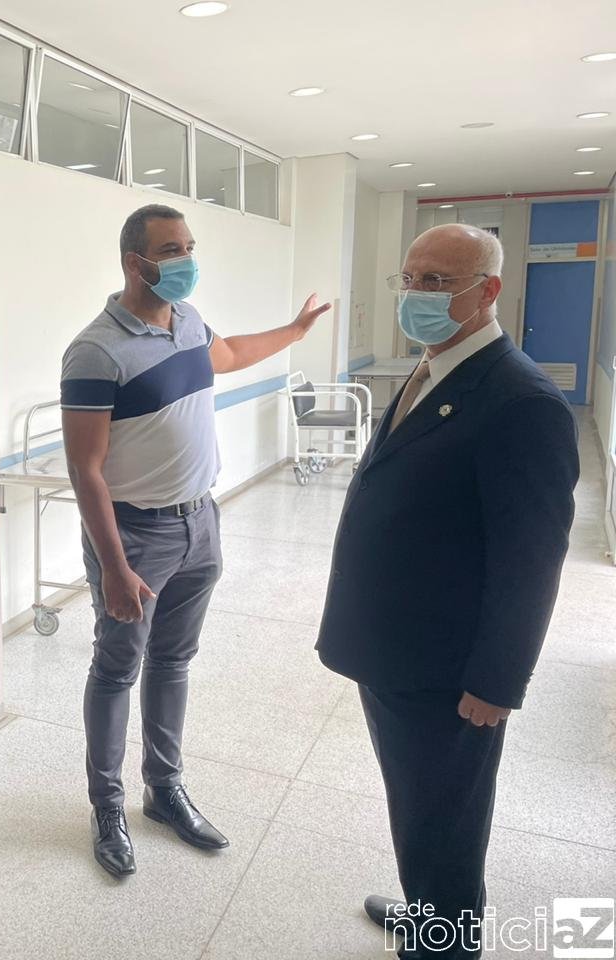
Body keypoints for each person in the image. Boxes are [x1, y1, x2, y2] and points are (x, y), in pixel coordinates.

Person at [316, 224, 579, 959]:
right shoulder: (435, 369)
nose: (416, 295)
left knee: (445, 820)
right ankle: (427, 912)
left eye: (436, 281)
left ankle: (445, 943)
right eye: (410, 278)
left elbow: (532, 561)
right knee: (417, 804)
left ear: (487, 290)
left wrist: (497, 681)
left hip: (450, 672)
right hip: (397, 654)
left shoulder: (520, 400)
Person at [60, 203, 329, 877]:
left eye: (189, 246)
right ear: (135, 263)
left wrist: (295, 330)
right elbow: (85, 470)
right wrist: (114, 567)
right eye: (171, 250)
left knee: (174, 662)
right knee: (117, 667)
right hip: (135, 535)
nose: (186, 260)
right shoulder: (96, 350)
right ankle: (107, 807)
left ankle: (164, 789)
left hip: (200, 522)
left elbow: (229, 353)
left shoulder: (187, 320)